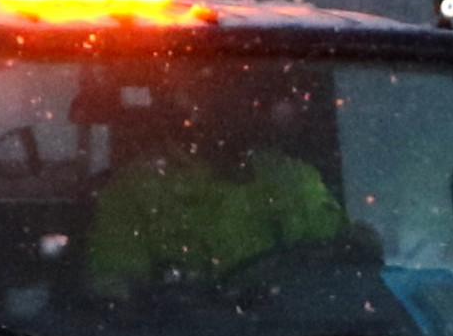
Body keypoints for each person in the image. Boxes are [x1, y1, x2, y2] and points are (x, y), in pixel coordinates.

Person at [85, 83, 344, 296]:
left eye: (241, 93)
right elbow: (117, 298)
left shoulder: (292, 178)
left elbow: (342, 265)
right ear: (180, 104)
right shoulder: (135, 188)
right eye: (212, 92)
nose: (229, 108)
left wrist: (361, 247)